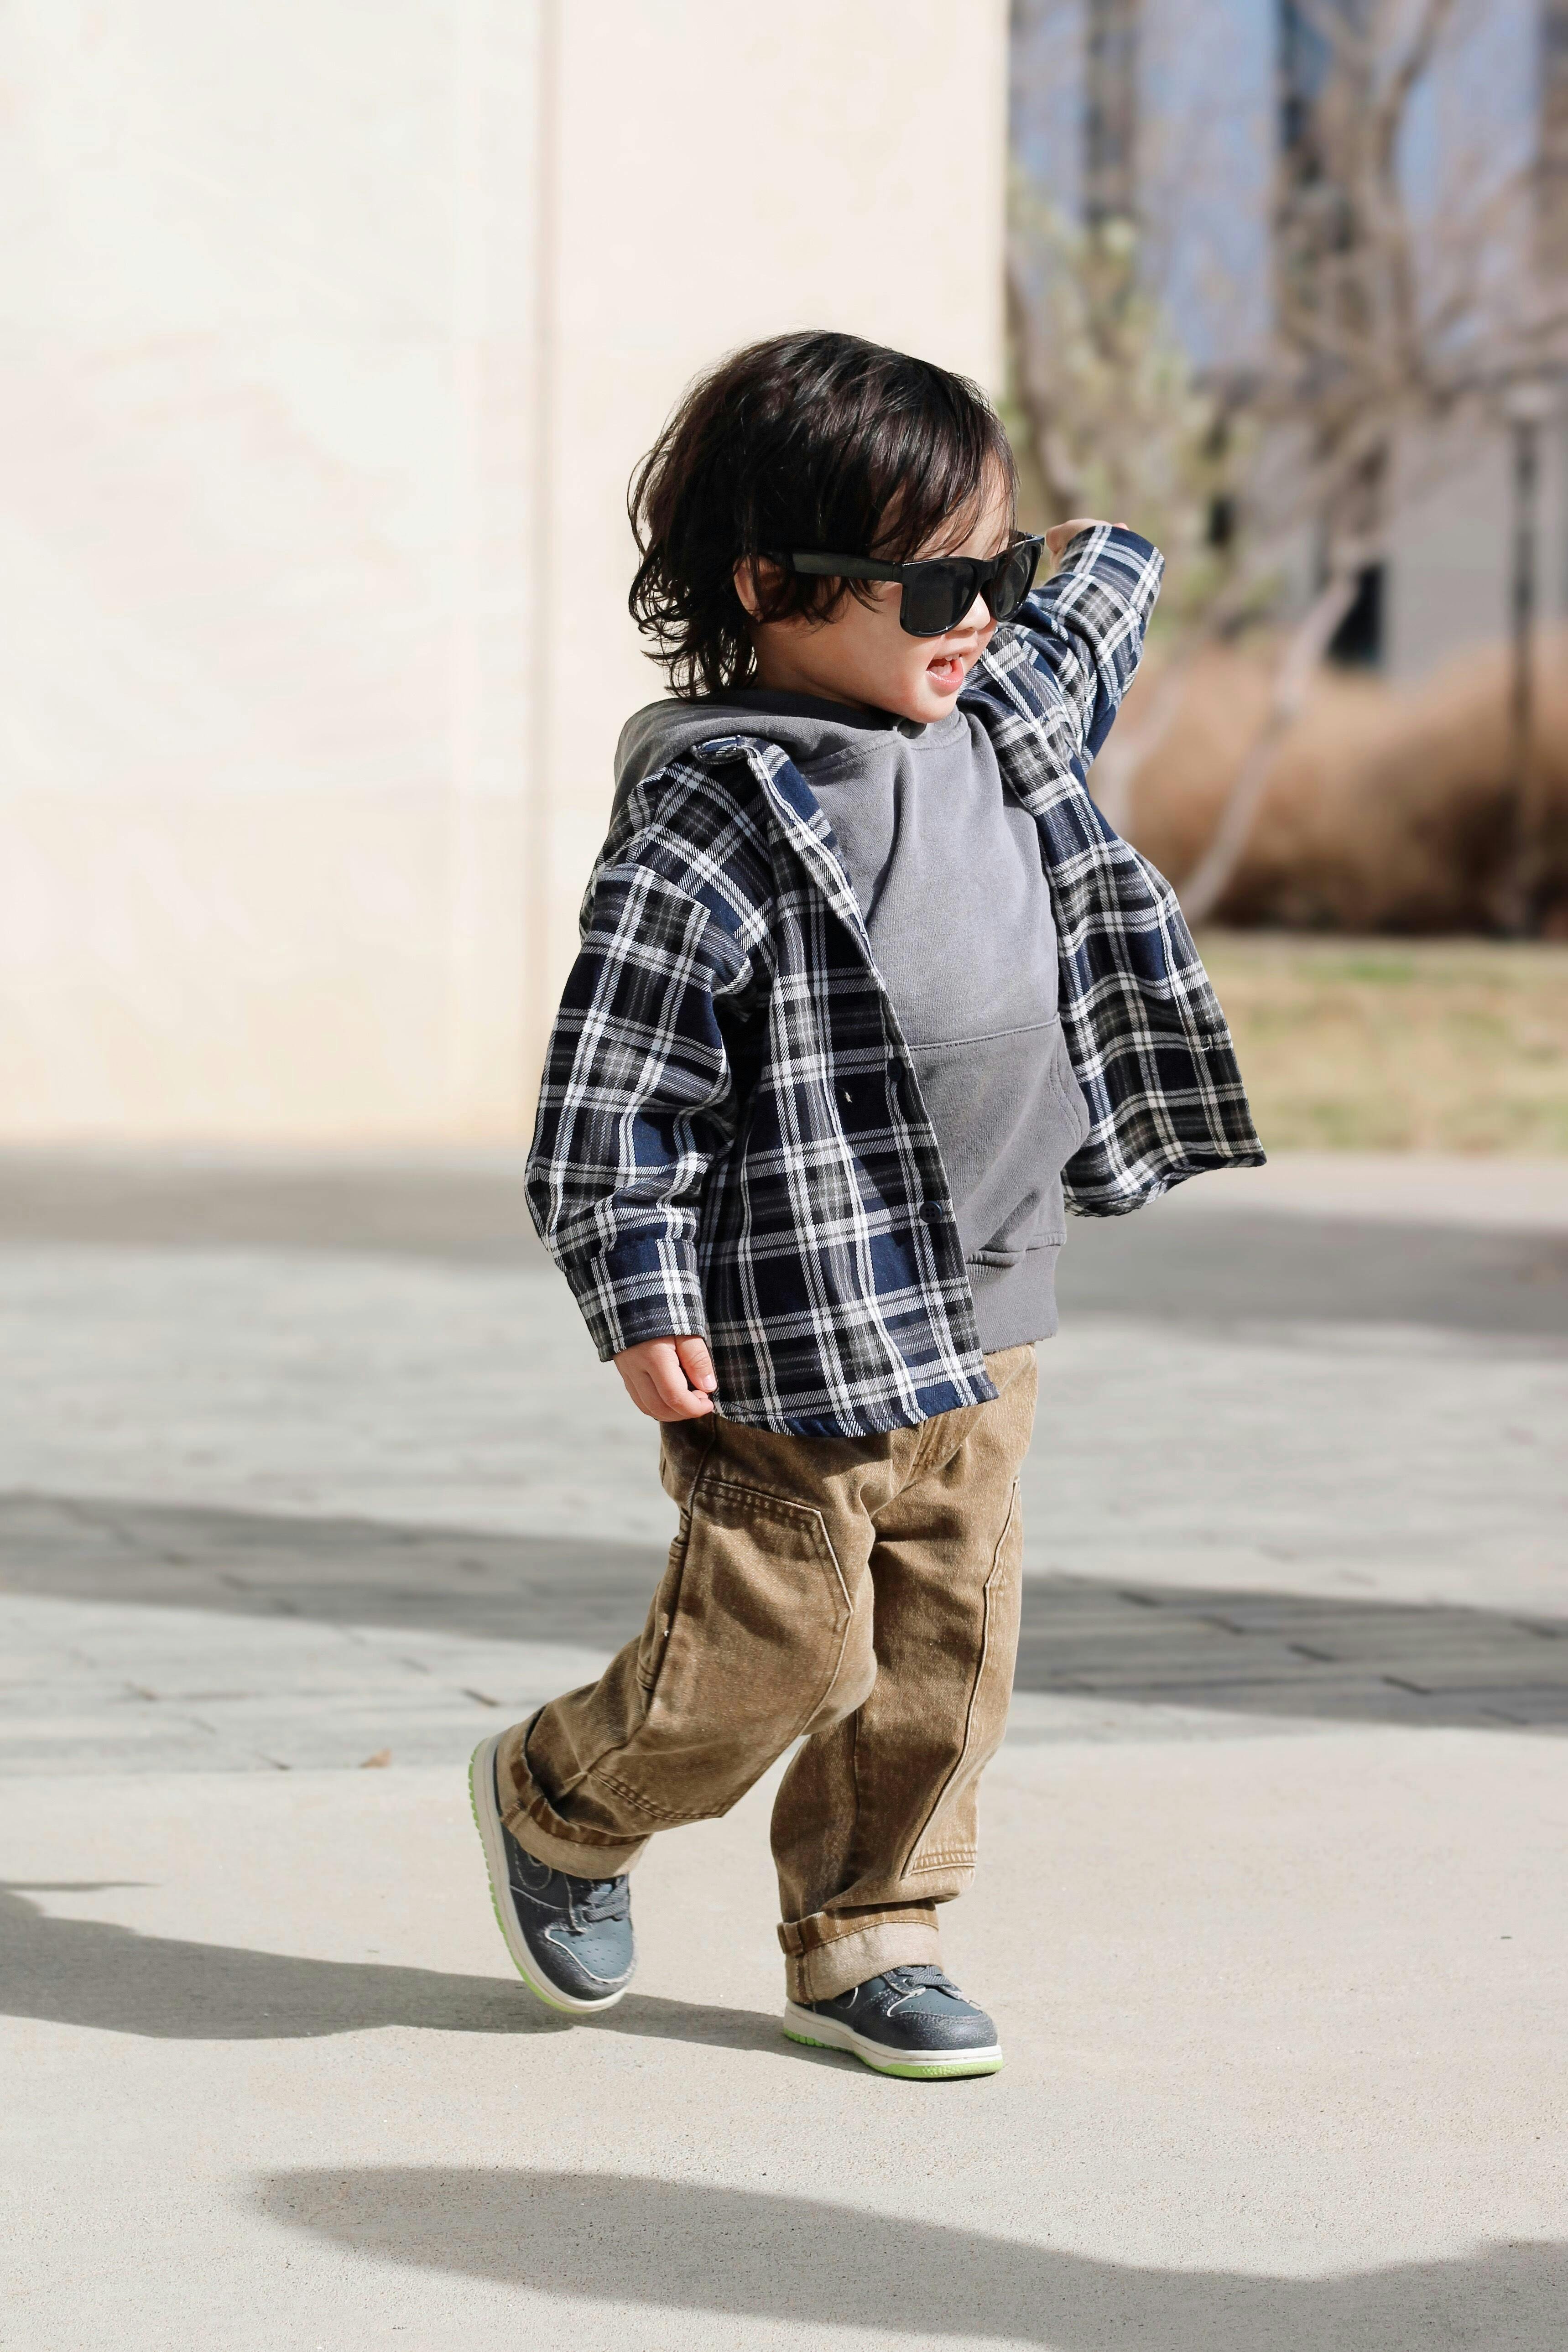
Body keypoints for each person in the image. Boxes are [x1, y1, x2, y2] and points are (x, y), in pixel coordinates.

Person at [470, 330, 1262, 2080]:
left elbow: (1093, 606)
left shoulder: (996, 704)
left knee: (944, 1648)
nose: (977, 616)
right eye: (935, 584)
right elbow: (619, 1087)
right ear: (771, 586)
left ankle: (869, 1929)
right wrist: (637, 1286)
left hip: (994, 1302)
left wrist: (1062, 547)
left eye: (995, 571)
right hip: (798, 1320)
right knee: (773, 1649)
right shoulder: (717, 812)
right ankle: (564, 1800)